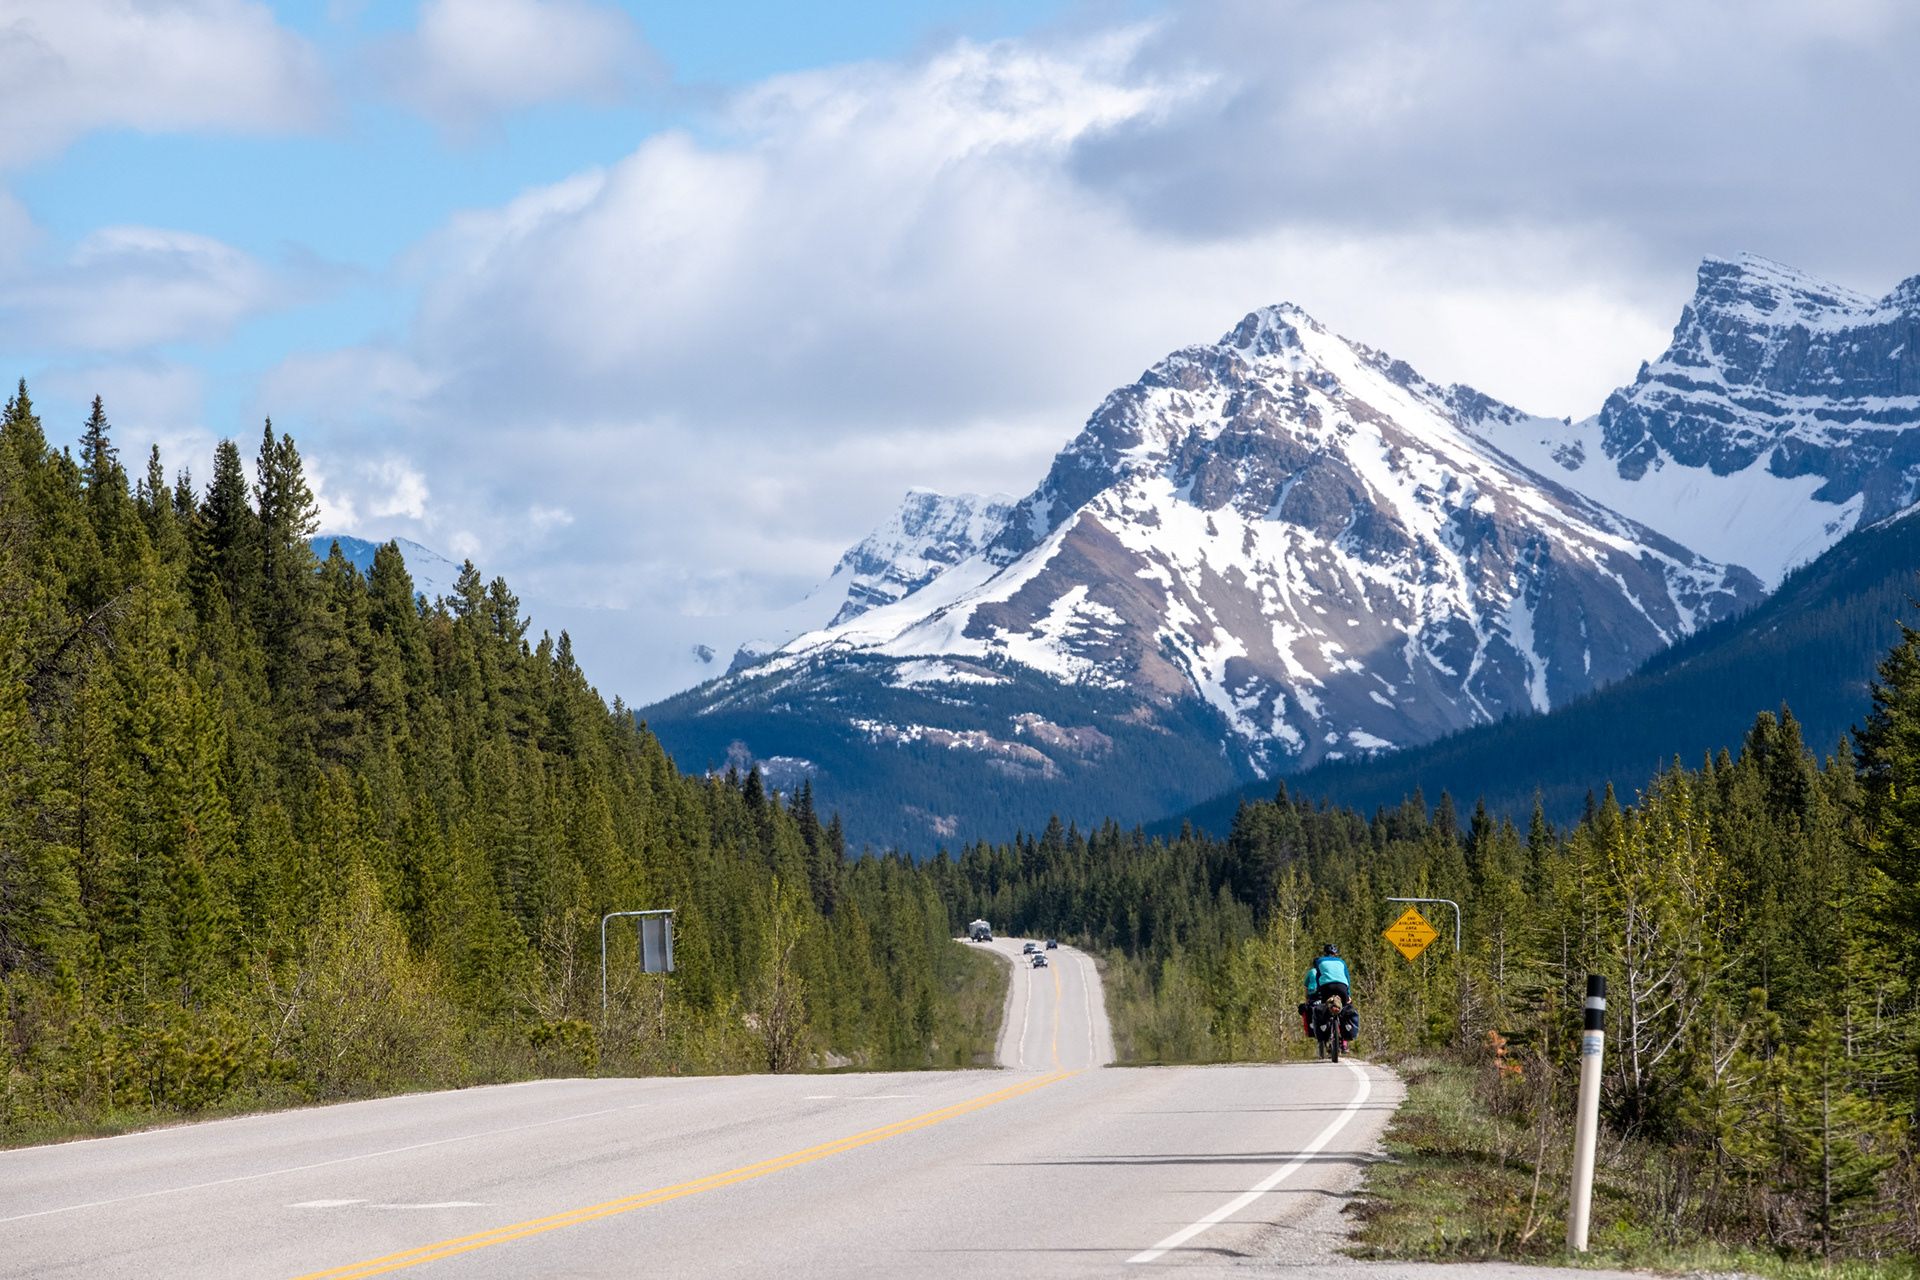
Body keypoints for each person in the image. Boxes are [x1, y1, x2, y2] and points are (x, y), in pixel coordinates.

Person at [1302, 944, 1356, 1047]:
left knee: (1324, 1008)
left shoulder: (1320, 961)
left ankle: (1325, 1030)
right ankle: (1344, 1043)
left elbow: (1318, 977)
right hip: (1342, 986)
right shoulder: (1341, 962)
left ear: (1324, 953)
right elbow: (1347, 979)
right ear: (1336, 954)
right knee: (1344, 1009)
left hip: (1326, 987)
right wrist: (1348, 994)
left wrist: (1318, 990)